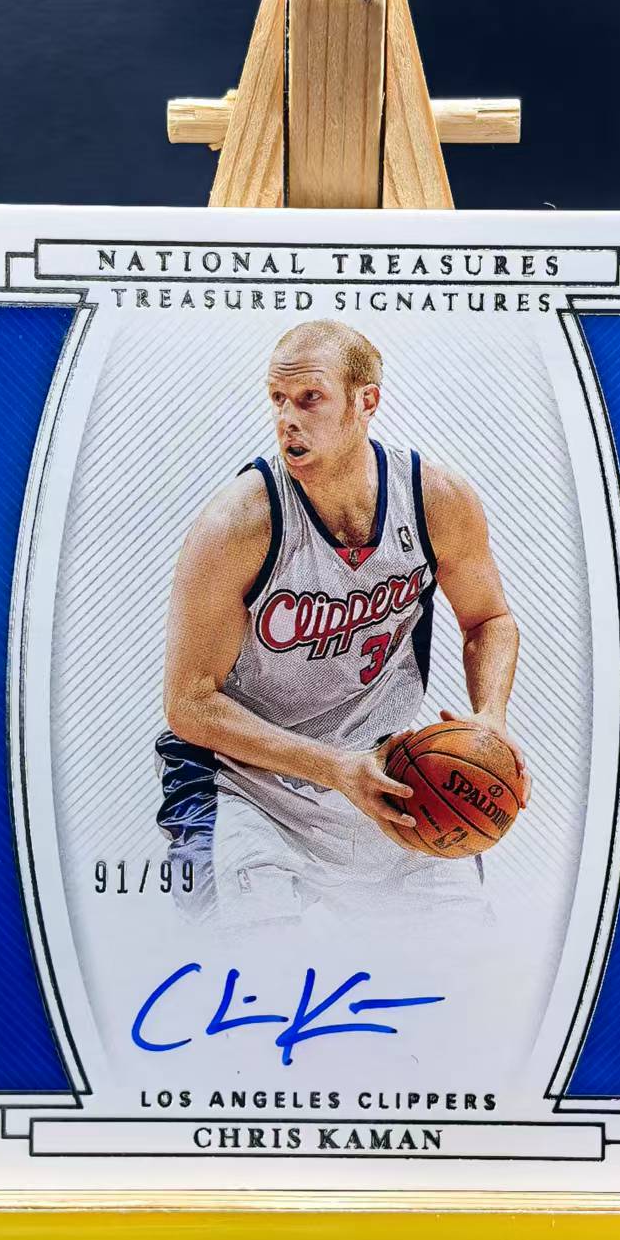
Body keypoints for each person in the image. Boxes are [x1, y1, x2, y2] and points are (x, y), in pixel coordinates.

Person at [158, 319, 530, 924]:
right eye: (278, 399)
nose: (288, 419)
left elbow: (490, 619)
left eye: (310, 398)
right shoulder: (235, 525)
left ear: (366, 401)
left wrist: (489, 719)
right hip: (247, 784)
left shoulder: (436, 500)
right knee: (254, 971)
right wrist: (332, 768)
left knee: (465, 965)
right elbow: (189, 704)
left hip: (382, 774)